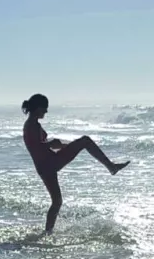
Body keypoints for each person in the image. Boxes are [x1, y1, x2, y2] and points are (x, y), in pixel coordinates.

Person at [21, 93, 129, 235]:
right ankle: (111, 167)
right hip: (49, 163)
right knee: (85, 140)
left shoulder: (34, 124)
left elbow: (43, 145)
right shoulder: (30, 126)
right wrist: (51, 144)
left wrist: (62, 145)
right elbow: (36, 147)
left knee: (57, 201)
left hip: (46, 164)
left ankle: (48, 232)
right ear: (37, 108)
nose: (46, 111)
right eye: (44, 108)